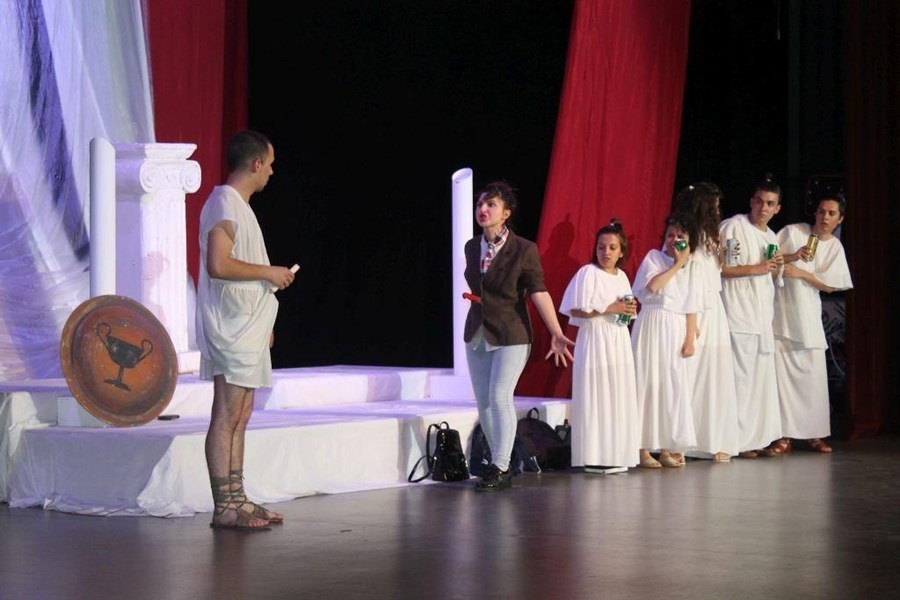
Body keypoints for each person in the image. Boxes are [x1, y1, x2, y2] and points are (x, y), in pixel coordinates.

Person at [196, 130, 296, 529]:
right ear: (256, 163)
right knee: (226, 412)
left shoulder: (239, 207)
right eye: (269, 165)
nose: (271, 172)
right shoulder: (224, 202)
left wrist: (263, 317)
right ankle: (224, 506)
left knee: (240, 412)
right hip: (231, 328)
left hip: (247, 327)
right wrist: (269, 273)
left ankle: (238, 498)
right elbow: (218, 265)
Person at [463, 181, 574, 491]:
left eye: (491, 205)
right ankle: (499, 462)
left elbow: (538, 290)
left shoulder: (524, 249)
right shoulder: (472, 246)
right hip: (477, 332)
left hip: (512, 333)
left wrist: (556, 331)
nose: (483, 209)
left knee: (500, 396)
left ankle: (501, 465)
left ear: (506, 213)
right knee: (484, 402)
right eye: (480, 204)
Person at [772, 194, 853, 453]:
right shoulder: (794, 231)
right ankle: (783, 436)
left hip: (808, 317)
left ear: (840, 219)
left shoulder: (834, 247)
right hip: (782, 315)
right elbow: (770, 257)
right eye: (821, 211)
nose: (824, 217)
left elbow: (830, 285)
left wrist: (803, 274)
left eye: (831, 213)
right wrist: (792, 257)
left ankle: (813, 435)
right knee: (783, 380)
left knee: (812, 380)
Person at [559, 220, 640, 475]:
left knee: (617, 394)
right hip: (595, 339)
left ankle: (616, 453)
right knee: (596, 393)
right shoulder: (588, 273)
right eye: (601, 247)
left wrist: (628, 310)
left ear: (621, 251)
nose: (606, 252)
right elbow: (576, 309)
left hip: (618, 339)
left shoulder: (622, 276)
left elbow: (624, 309)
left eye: (612, 248)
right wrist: (610, 308)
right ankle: (594, 455)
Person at [718, 174, 785, 459]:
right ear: (751, 201)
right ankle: (736, 441)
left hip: (761, 318)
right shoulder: (734, 227)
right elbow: (722, 268)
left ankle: (754, 439)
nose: (763, 208)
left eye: (770, 203)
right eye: (759, 201)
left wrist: (776, 266)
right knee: (739, 382)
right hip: (738, 315)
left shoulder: (771, 236)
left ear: (777, 208)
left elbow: (771, 276)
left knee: (757, 385)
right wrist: (757, 268)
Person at [673, 183, 740, 463]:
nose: (718, 210)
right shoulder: (685, 233)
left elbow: (716, 270)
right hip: (693, 304)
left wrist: (722, 257)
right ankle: (681, 441)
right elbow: (683, 272)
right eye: (714, 205)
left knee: (714, 373)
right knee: (690, 371)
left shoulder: (712, 236)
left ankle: (716, 439)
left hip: (713, 304)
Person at [631, 211, 700, 469]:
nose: (674, 240)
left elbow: (692, 304)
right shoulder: (654, 257)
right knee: (648, 383)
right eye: (670, 235)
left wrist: (690, 337)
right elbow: (652, 287)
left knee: (672, 385)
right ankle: (642, 449)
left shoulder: (692, 267)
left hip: (675, 327)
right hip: (652, 323)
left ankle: (666, 448)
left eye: (680, 236)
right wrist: (677, 265)